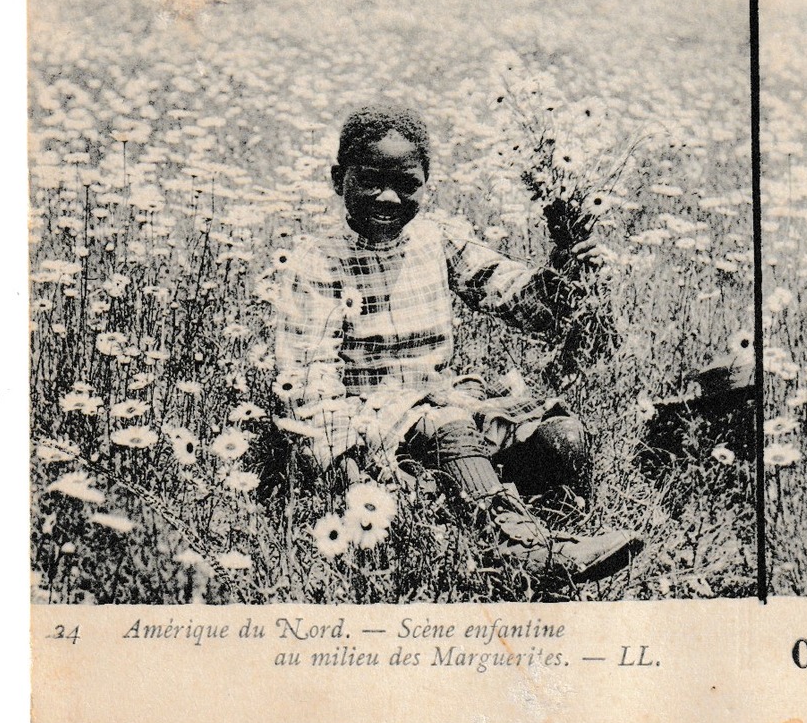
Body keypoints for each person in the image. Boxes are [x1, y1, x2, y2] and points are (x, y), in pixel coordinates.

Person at [274, 104, 641, 583]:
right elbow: (307, 382)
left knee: (560, 439)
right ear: (337, 177)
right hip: (369, 427)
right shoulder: (318, 262)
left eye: (407, 184)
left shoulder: (434, 239)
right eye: (369, 181)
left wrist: (564, 270)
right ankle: (518, 550)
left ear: (427, 184)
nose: (388, 198)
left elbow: (516, 300)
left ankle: (559, 531)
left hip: (444, 407)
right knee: (446, 422)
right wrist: (348, 474)